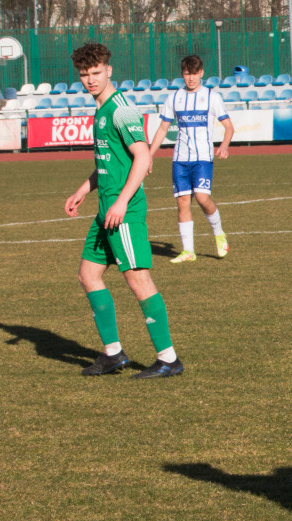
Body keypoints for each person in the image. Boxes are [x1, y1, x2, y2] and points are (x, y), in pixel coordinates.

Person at [64, 42, 184, 379]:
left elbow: (144, 157)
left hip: (124, 211)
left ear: (109, 70)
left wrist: (120, 202)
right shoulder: (100, 110)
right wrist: (83, 190)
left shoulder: (121, 110)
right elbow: (109, 165)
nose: (90, 80)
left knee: (138, 279)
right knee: (88, 275)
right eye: (85, 75)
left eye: (96, 73)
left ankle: (168, 358)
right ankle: (113, 354)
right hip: (106, 210)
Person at [147, 54, 235, 263]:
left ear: (201, 73)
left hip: (203, 157)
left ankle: (218, 232)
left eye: (194, 74)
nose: (191, 78)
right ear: (182, 75)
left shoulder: (212, 97)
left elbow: (229, 127)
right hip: (180, 159)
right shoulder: (174, 97)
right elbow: (162, 128)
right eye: (187, 74)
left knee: (203, 198)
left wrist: (224, 145)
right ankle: (189, 251)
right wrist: (149, 156)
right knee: (183, 202)